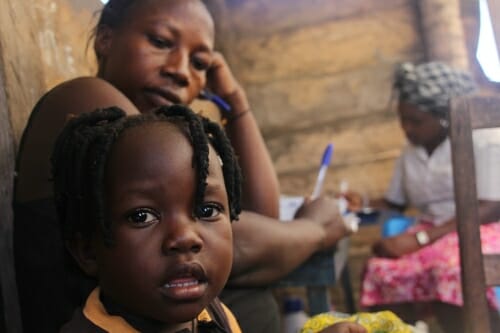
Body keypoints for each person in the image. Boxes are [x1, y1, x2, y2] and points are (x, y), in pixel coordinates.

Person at [13, 0, 350, 331]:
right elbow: (247, 241)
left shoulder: (164, 144)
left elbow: (257, 220)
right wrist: (316, 230)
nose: (180, 70)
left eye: (200, 63)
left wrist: (235, 101)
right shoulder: (85, 100)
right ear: (106, 38)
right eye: (160, 42)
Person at [53, 105, 242, 332]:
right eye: (142, 216)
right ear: (88, 251)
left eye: (207, 211)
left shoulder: (215, 317)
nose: (185, 238)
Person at [346, 61, 500, 332]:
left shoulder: (482, 139)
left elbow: (490, 207)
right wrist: (362, 203)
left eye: (415, 121)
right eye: (402, 119)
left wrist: (420, 239)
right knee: (380, 269)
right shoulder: (410, 154)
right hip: (433, 232)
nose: (406, 128)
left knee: (451, 270)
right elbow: (395, 202)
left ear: (443, 116)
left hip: (480, 228)